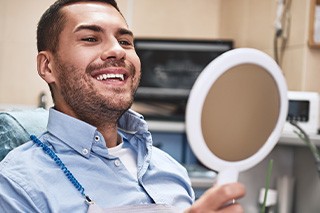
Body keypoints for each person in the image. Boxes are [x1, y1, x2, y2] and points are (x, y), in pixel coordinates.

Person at [0, 0, 245, 212]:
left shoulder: (171, 169)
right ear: (47, 67)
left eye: (125, 41)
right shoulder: (17, 185)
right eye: (90, 38)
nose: (117, 50)